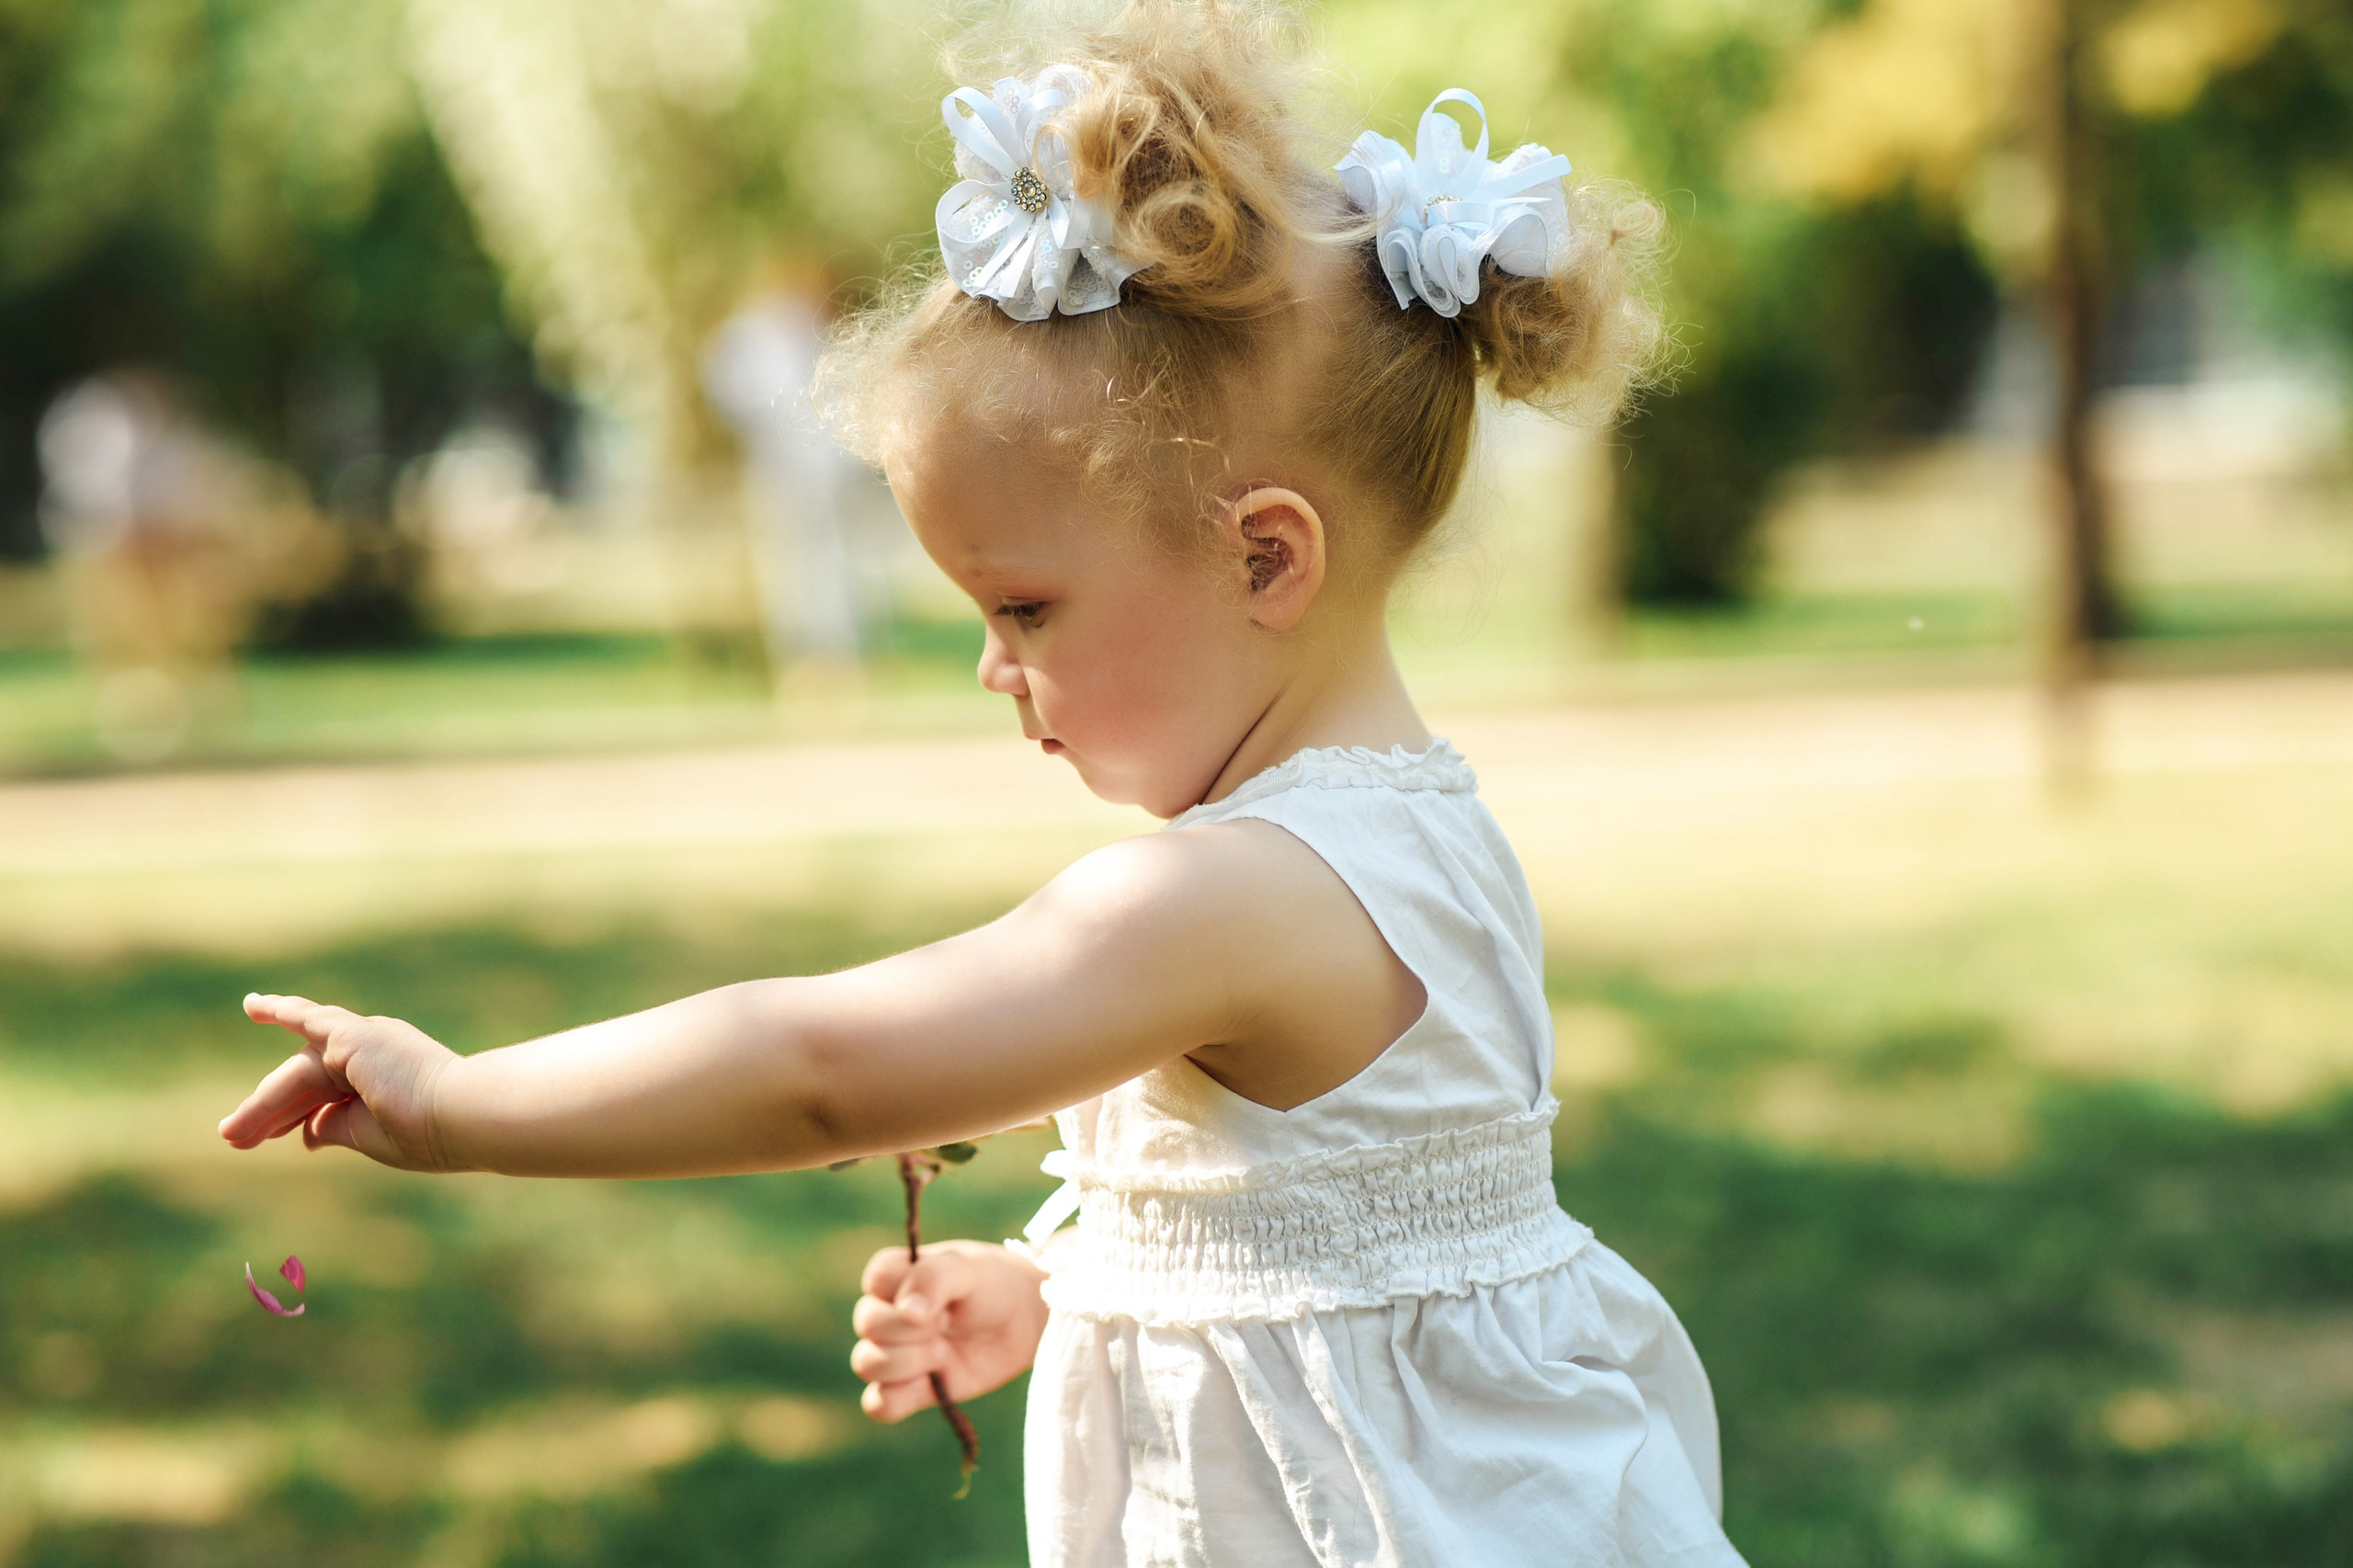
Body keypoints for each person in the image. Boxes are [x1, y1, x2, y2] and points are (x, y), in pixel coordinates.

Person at [218, 4, 1740, 1562]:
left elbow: (821, 1067)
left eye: (1025, 606)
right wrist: (1063, 1285)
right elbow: (1351, 1241)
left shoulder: (1235, 894)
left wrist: (461, 1104)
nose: (994, 667)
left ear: (1263, 559)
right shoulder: (1410, 830)